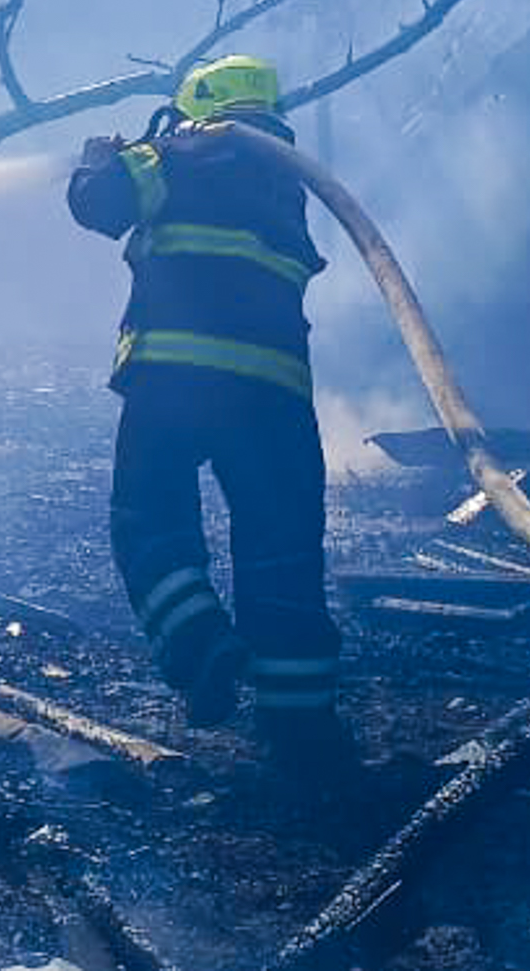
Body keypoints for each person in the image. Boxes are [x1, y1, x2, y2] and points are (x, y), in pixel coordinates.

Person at [67, 54, 345, 755]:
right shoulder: (287, 180)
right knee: (282, 552)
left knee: (148, 520)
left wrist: (101, 155)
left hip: (175, 380)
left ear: (196, 109)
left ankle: (199, 644)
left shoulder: (182, 152)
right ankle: (300, 728)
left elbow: (98, 203)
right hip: (276, 394)